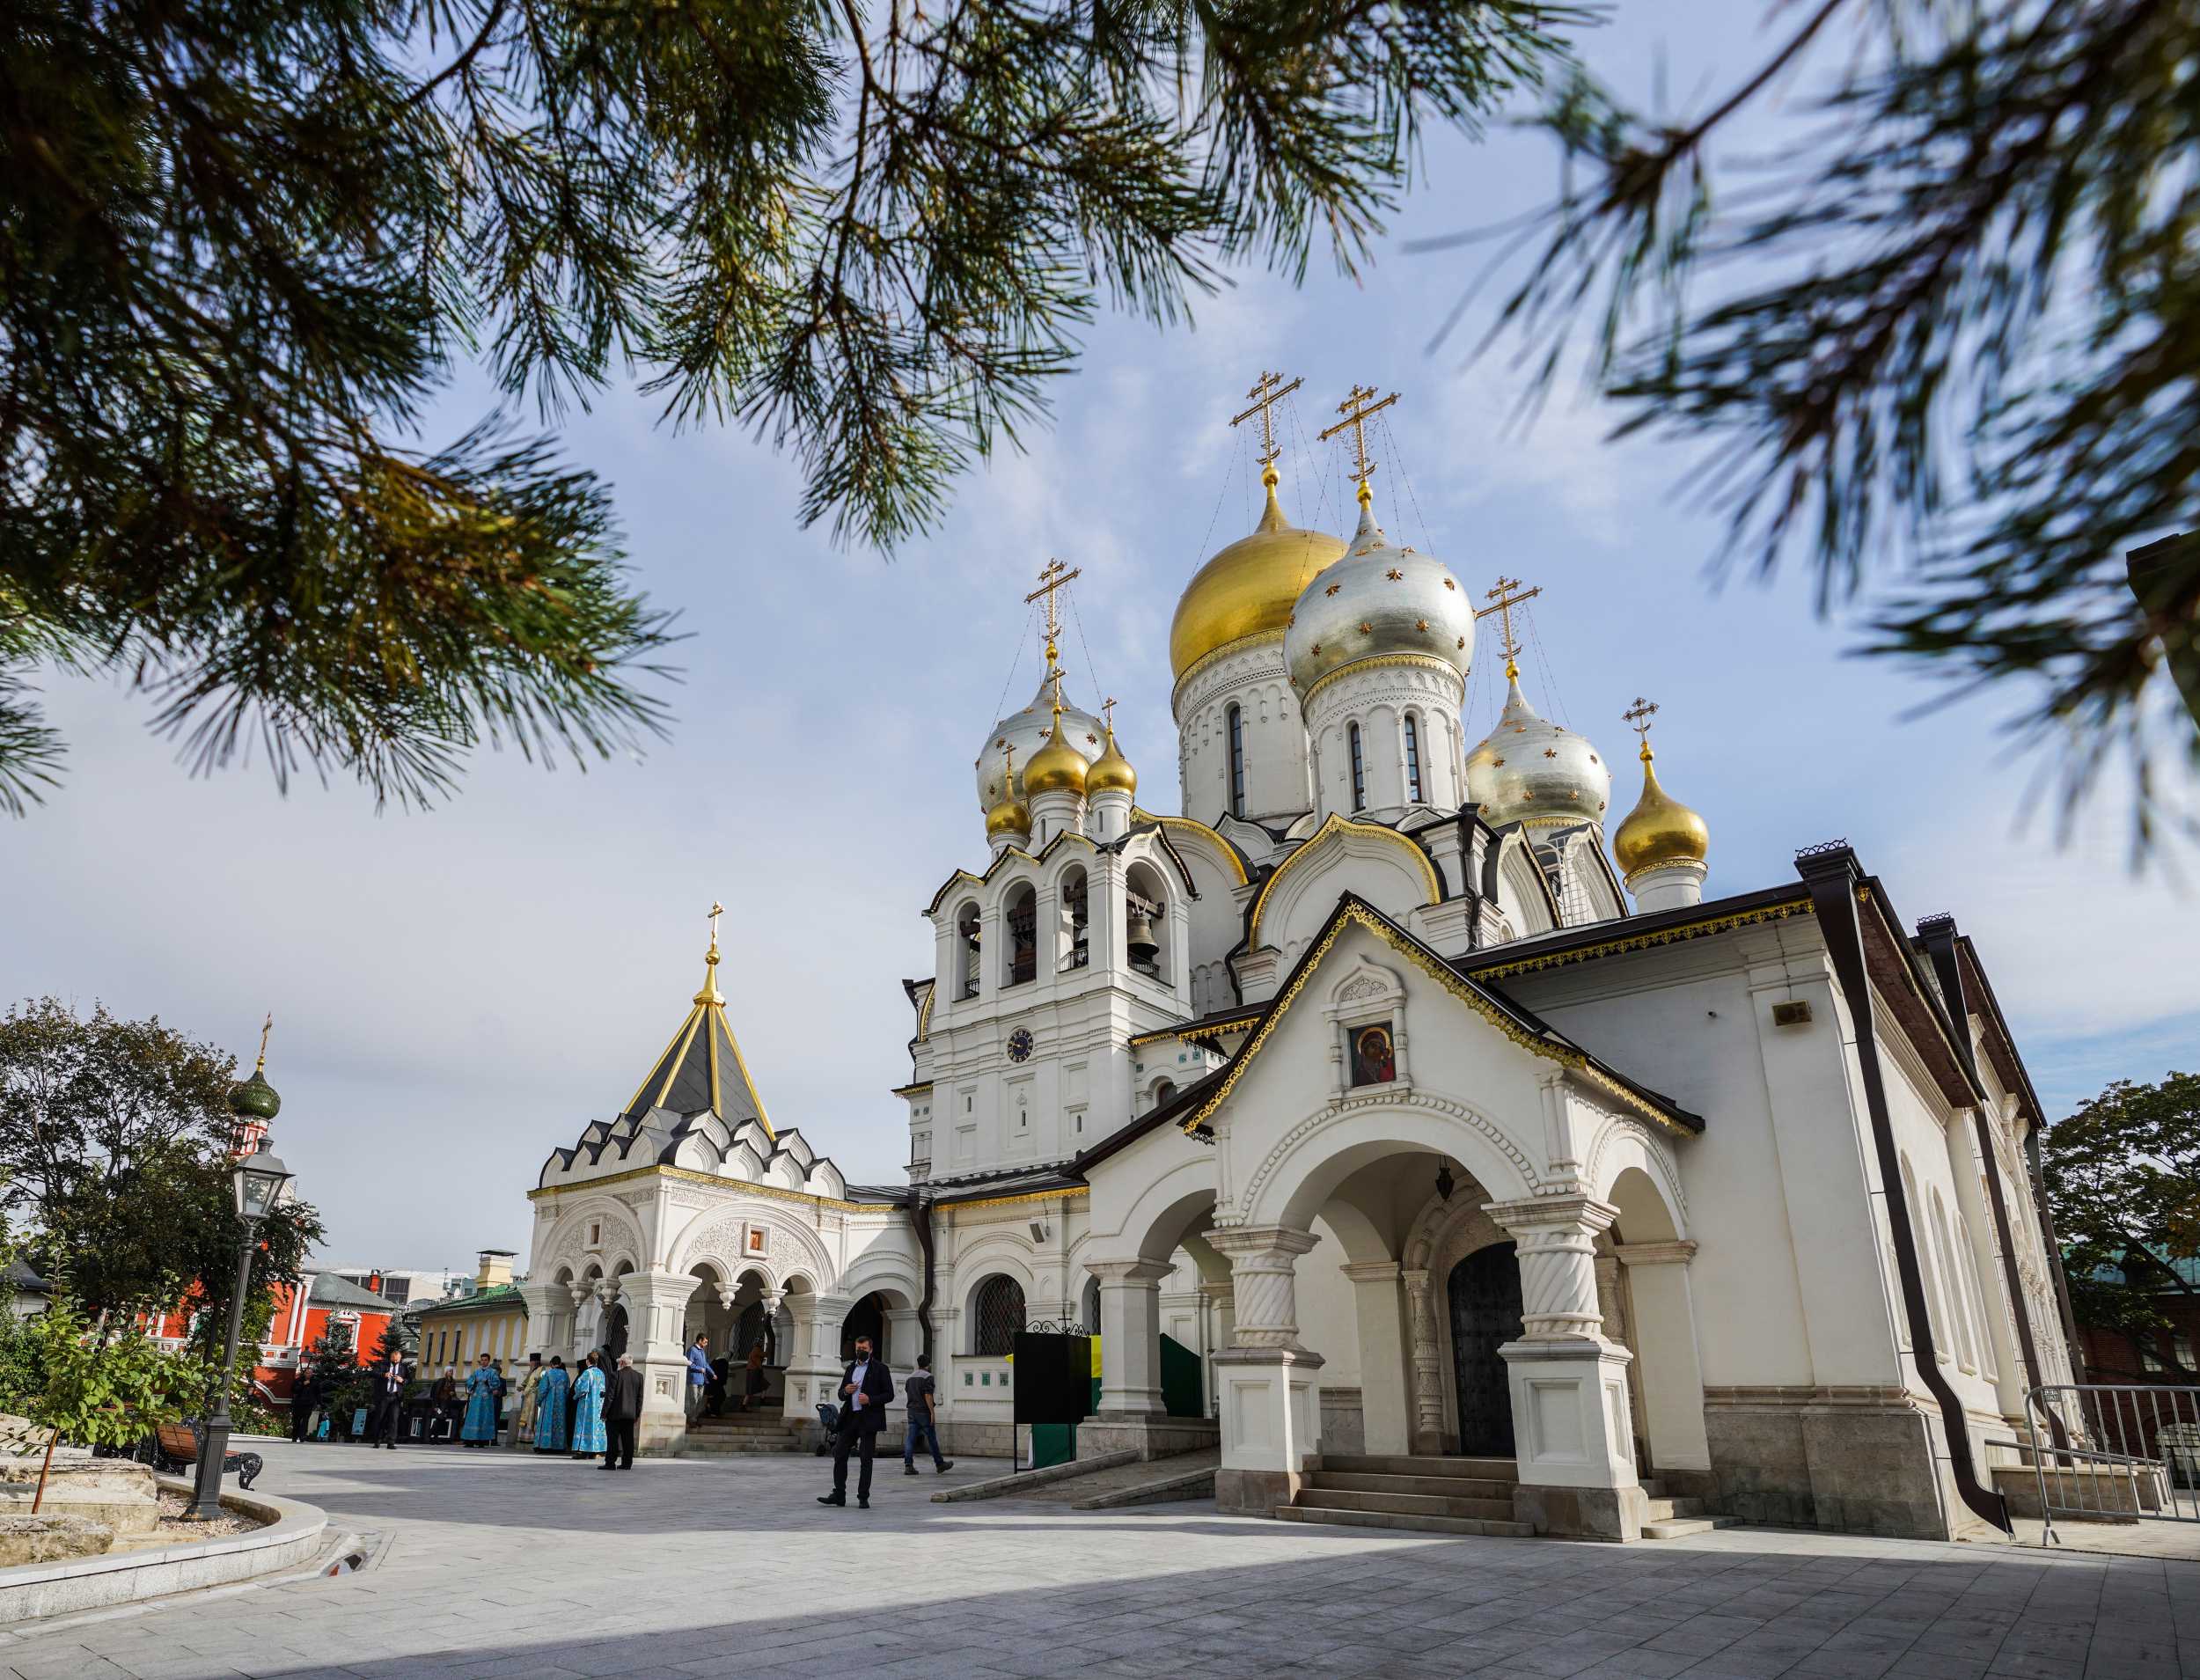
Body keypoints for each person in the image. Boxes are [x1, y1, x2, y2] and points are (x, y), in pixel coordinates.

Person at [818, 1333, 892, 1509]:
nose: (861, 1352)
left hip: (869, 1419)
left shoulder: (880, 1369)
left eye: (864, 1349)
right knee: (839, 1453)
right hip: (850, 1418)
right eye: (858, 1349)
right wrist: (846, 1391)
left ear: (871, 1349)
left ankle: (863, 1496)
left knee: (866, 1458)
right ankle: (839, 1494)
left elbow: (889, 1394)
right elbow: (840, 1394)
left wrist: (871, 1399)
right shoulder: (851, 1368)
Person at [901, 1352, 954, 1476]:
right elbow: (928, 1395)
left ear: (918, 1364)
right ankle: (939, 1464)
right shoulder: (928, 1377)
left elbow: (908, 1392)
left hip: (911, 1411)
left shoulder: (910, 1378)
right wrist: (932, 1412)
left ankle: (908, 1465)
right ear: (928, 1364)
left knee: (910, 1439)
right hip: (923, 1412)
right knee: (932, 1439)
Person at [603, 1354, 644, 1471]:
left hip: (615, 1414)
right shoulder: (639, 1376)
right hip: (630, 1415)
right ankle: (627, 1463)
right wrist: (637, 1414)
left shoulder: (616, 1375)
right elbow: (640, 1398)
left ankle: (610, 1463)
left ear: (621, 1363)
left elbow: (610, 1396)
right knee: (628, 1440)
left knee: (613, 1440)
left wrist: (604, 1413)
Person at [569, 1354, 607, 1461]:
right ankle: (594, 1450)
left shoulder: (587, 1373)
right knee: (595, 1428)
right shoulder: (601, 1373)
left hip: (587, 1405)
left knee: (584, 1426)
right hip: (598, 1406)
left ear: (587, 1361)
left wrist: (575, 1396)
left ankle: (583, 1451)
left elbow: (582, 1389)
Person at [367, 1354, 409, 1449]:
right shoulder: (383, 1364)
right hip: (384, 1396)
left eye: (397, 1360)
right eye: (393, 1360)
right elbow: (372, 1373)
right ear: (390, 1358)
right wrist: (384, 1374)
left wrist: (402, 1380)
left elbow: (410, 1380)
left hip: (396, 1397)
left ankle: (391, 1442)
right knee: (380, 1418)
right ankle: (377, 1441)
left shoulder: (403, 1367)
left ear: (400, 1359)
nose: (395, 1362)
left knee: (394, 1420)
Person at [459, 1354, 501, 1448]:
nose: (483, 1361)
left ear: (488, 1361)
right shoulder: (476, 1371)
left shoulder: (493, 1372)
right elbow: (469, 1382)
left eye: (485, 1360)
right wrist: (474, 1382)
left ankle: (481, 1441)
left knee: (484, 1419)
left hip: (486, 1401)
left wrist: (488, 1382)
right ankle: (470, 1440)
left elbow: (497, 1383)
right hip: (475, 1399)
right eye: (482, 1360)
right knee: (472, 1418)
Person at [532, 1356, 570, 1454]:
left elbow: (543, 1389)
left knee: (546, 1423)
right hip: (561, 1404)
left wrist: (539, 1401)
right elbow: (567, 1390)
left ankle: (544, 1446)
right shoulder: (565, 1374)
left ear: (551, 1364)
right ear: (560, 1363)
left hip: (548, 1403)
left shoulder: (548, 1374)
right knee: (559, 1423)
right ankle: (559, 1447)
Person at [515, 1354, 544, 1448]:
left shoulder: (542, 1370)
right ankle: (523, 1438)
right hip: (528, 1397)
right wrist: (522, 1388)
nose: (529, 1363)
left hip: (534, 1397)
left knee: (532, 1417)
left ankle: (532, 1438)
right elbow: (526, 1383)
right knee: (526, 1417)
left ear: (535, 1362)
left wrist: (535, 1389)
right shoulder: (532, 1371)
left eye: (531, 1361)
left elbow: (542, 1383)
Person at [684, 1335, 711, 1425]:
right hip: (693, 1379)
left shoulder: (702, 1351)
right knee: (694, 1400)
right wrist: (699, 1369)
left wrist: (712, 1373)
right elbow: (689, 1363)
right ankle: (692, 1419)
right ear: (700, 1340)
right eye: (705, 1342)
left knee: (699, 1400)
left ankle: (695, 1417)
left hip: (702, 1380)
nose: (706, 1344)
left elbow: (705, 1364)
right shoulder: (691, 1350)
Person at [290, 1372, 319, 1443]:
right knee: (296, 1421)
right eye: (307, 1373)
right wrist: (303, 1385)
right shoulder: (298, 1381)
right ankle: (294, 1437)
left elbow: (318, 1393)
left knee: (305, 1421)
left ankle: (302, 1437)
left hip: (309, 1404)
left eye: (310, 1373)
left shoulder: (315, 1382)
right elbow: (294, 1390)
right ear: (304, 1374)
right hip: (298, 1404)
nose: (309, 1374)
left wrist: (319, 1403)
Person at [741, 1339, 767, 1413]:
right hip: (755, 1371)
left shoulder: (754, 1350)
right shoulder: (756, 1349)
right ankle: (744, 1405)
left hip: (753, 1371)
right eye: (761, 1343)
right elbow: (765, 1354)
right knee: (751, 1390)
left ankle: (761, 1400)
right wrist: (768, 1347)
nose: (762, 1344)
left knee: (764, 1385)